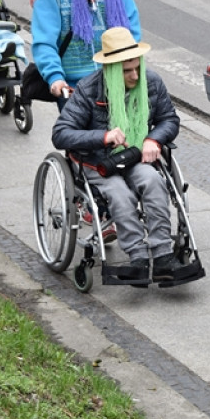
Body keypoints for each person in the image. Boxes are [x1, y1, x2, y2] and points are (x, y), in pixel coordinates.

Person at [51, 27, 183, 285]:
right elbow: (61, 134)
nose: (135, 75)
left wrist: (153, 139)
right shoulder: (88, 89)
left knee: (154, 181)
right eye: (126, 71)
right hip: (97, 162)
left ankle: (163, 255)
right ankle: (138, 256)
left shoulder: (151, 82)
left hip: (133, 155)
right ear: (110, 69)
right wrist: (103, 137)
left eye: (137, 67)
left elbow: (169, 118)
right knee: (120, 194)